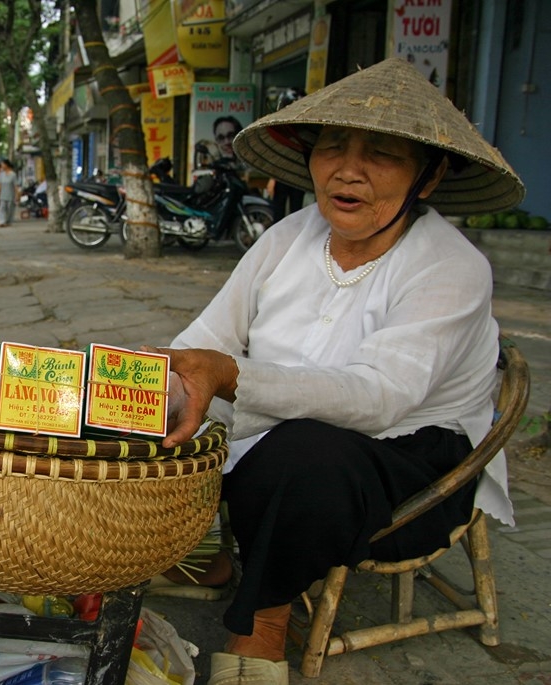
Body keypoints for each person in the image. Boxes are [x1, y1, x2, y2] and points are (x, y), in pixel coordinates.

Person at [145, 58, 524, 685]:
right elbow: (204, 342)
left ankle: (260, 627)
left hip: (408, 462)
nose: (348, 171)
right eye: (332, 148)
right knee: (141, 405)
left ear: (429, 176)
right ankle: (203, 556)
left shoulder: (452, 267)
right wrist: (153, 383)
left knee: (302, 453)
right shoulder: (288, 236)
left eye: (382, 154)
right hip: (279, 442)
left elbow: (380, 397)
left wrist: (230, 376)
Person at [269, 88, 307, 222]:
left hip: (299, 174)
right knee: (278, 210)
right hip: (282, 174)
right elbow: (277, 153)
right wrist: (272, 178)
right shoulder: (281, 127)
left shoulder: (306, 127)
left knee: (297, 211)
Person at [0, 159, 18, 227]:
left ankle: (8, 221)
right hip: (3, 195)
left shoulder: (13, 175)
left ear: (6, 165)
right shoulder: (1, 175)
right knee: (2, 208)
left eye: (3, 164)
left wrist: (17, 195)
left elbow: (15, 186)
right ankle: (1, 221)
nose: (1, 166)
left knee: (10, 208)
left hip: (10, 195)